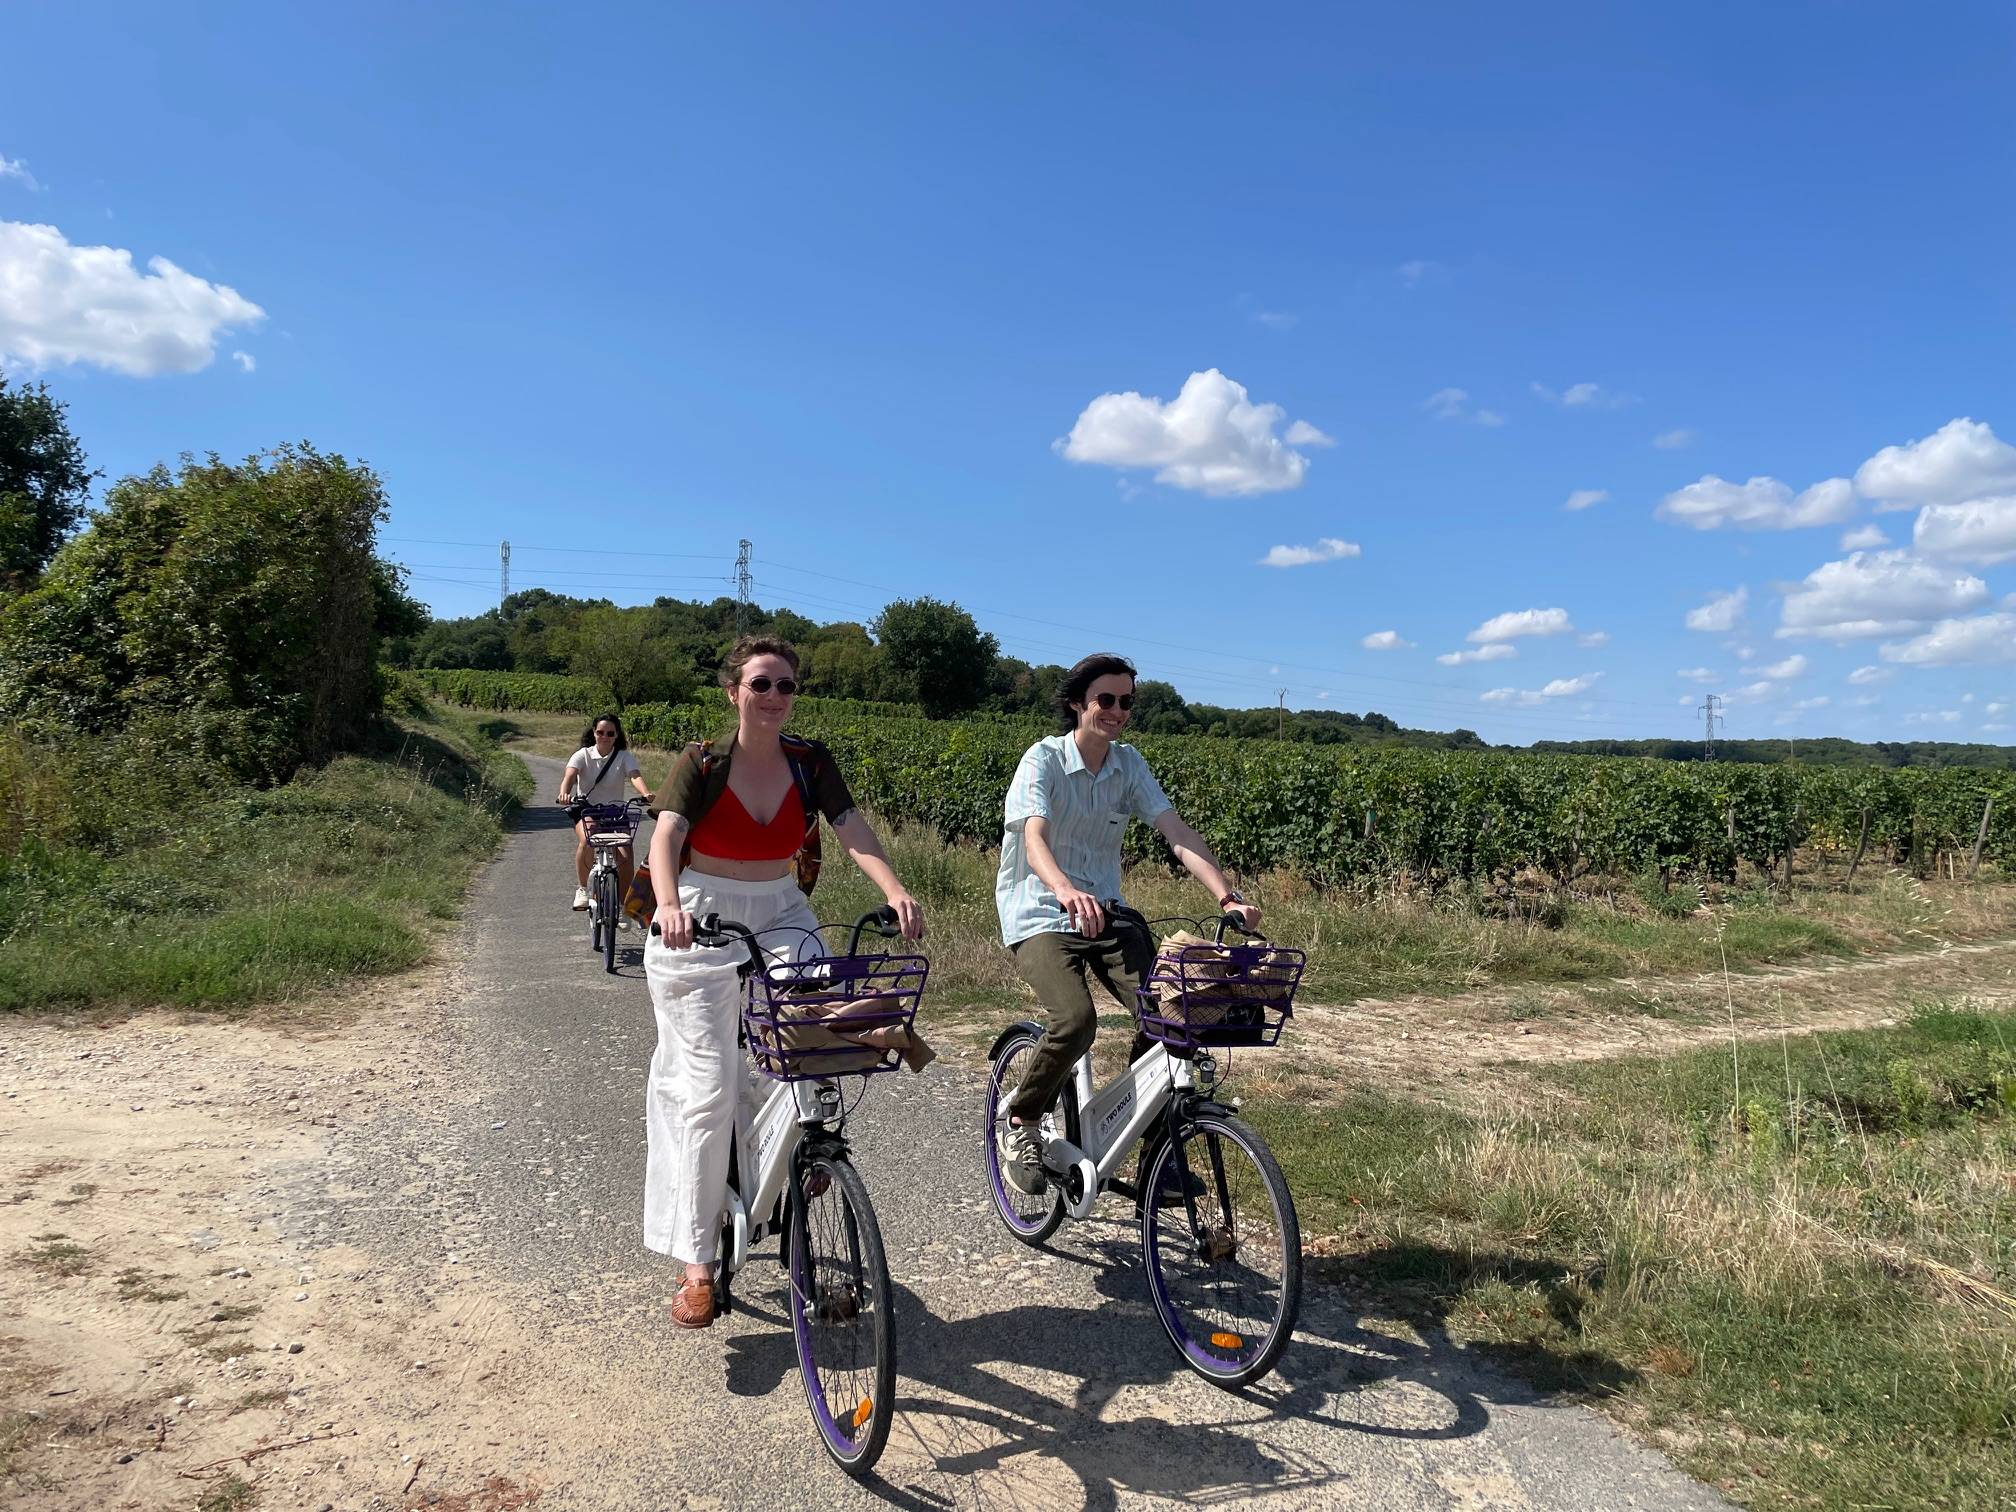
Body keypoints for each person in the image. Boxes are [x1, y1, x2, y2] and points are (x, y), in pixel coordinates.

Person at [642, 635, 925, 1329]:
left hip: (781, 908)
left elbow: (851, 828)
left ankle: (800, 1154)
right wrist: (669, 904)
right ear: (734, 692)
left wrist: (893, 888)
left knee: (807, 1045)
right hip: (701, 913)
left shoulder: (809, 761)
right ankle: (696, 1263)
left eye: (786, 685)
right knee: (706, 1089)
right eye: (761, 684)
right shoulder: (703, 761)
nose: (774, 696)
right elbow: (668, 835)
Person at [994, 652, 1259, 1196]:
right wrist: (1064, 889)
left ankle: (1153, 1154)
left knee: (1171, 1015)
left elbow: (1176, 832)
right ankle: (1022, 1119)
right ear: (1078, 703)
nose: (1117, 711)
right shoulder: (1043, 760)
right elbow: (1034, 838)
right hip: (1041, 911)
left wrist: (1227, 895)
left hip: (1106, 912)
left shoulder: (1128, 765)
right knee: (1075, 1020)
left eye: (1127, 702)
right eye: (1106, 699)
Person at [557, 713, 653, 914]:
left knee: (625, 852)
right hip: (587, 809)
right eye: (600, 732)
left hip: (614, 812)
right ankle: (582, 889)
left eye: (610, 733)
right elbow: (570, 775)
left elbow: (634, 775)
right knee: (588, 839)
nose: (605, 737)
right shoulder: (582, 755)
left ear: (617, 735)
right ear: (594, 732)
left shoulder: (623, 756)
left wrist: (645, 793)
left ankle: (623, 905)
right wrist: (564, 793)